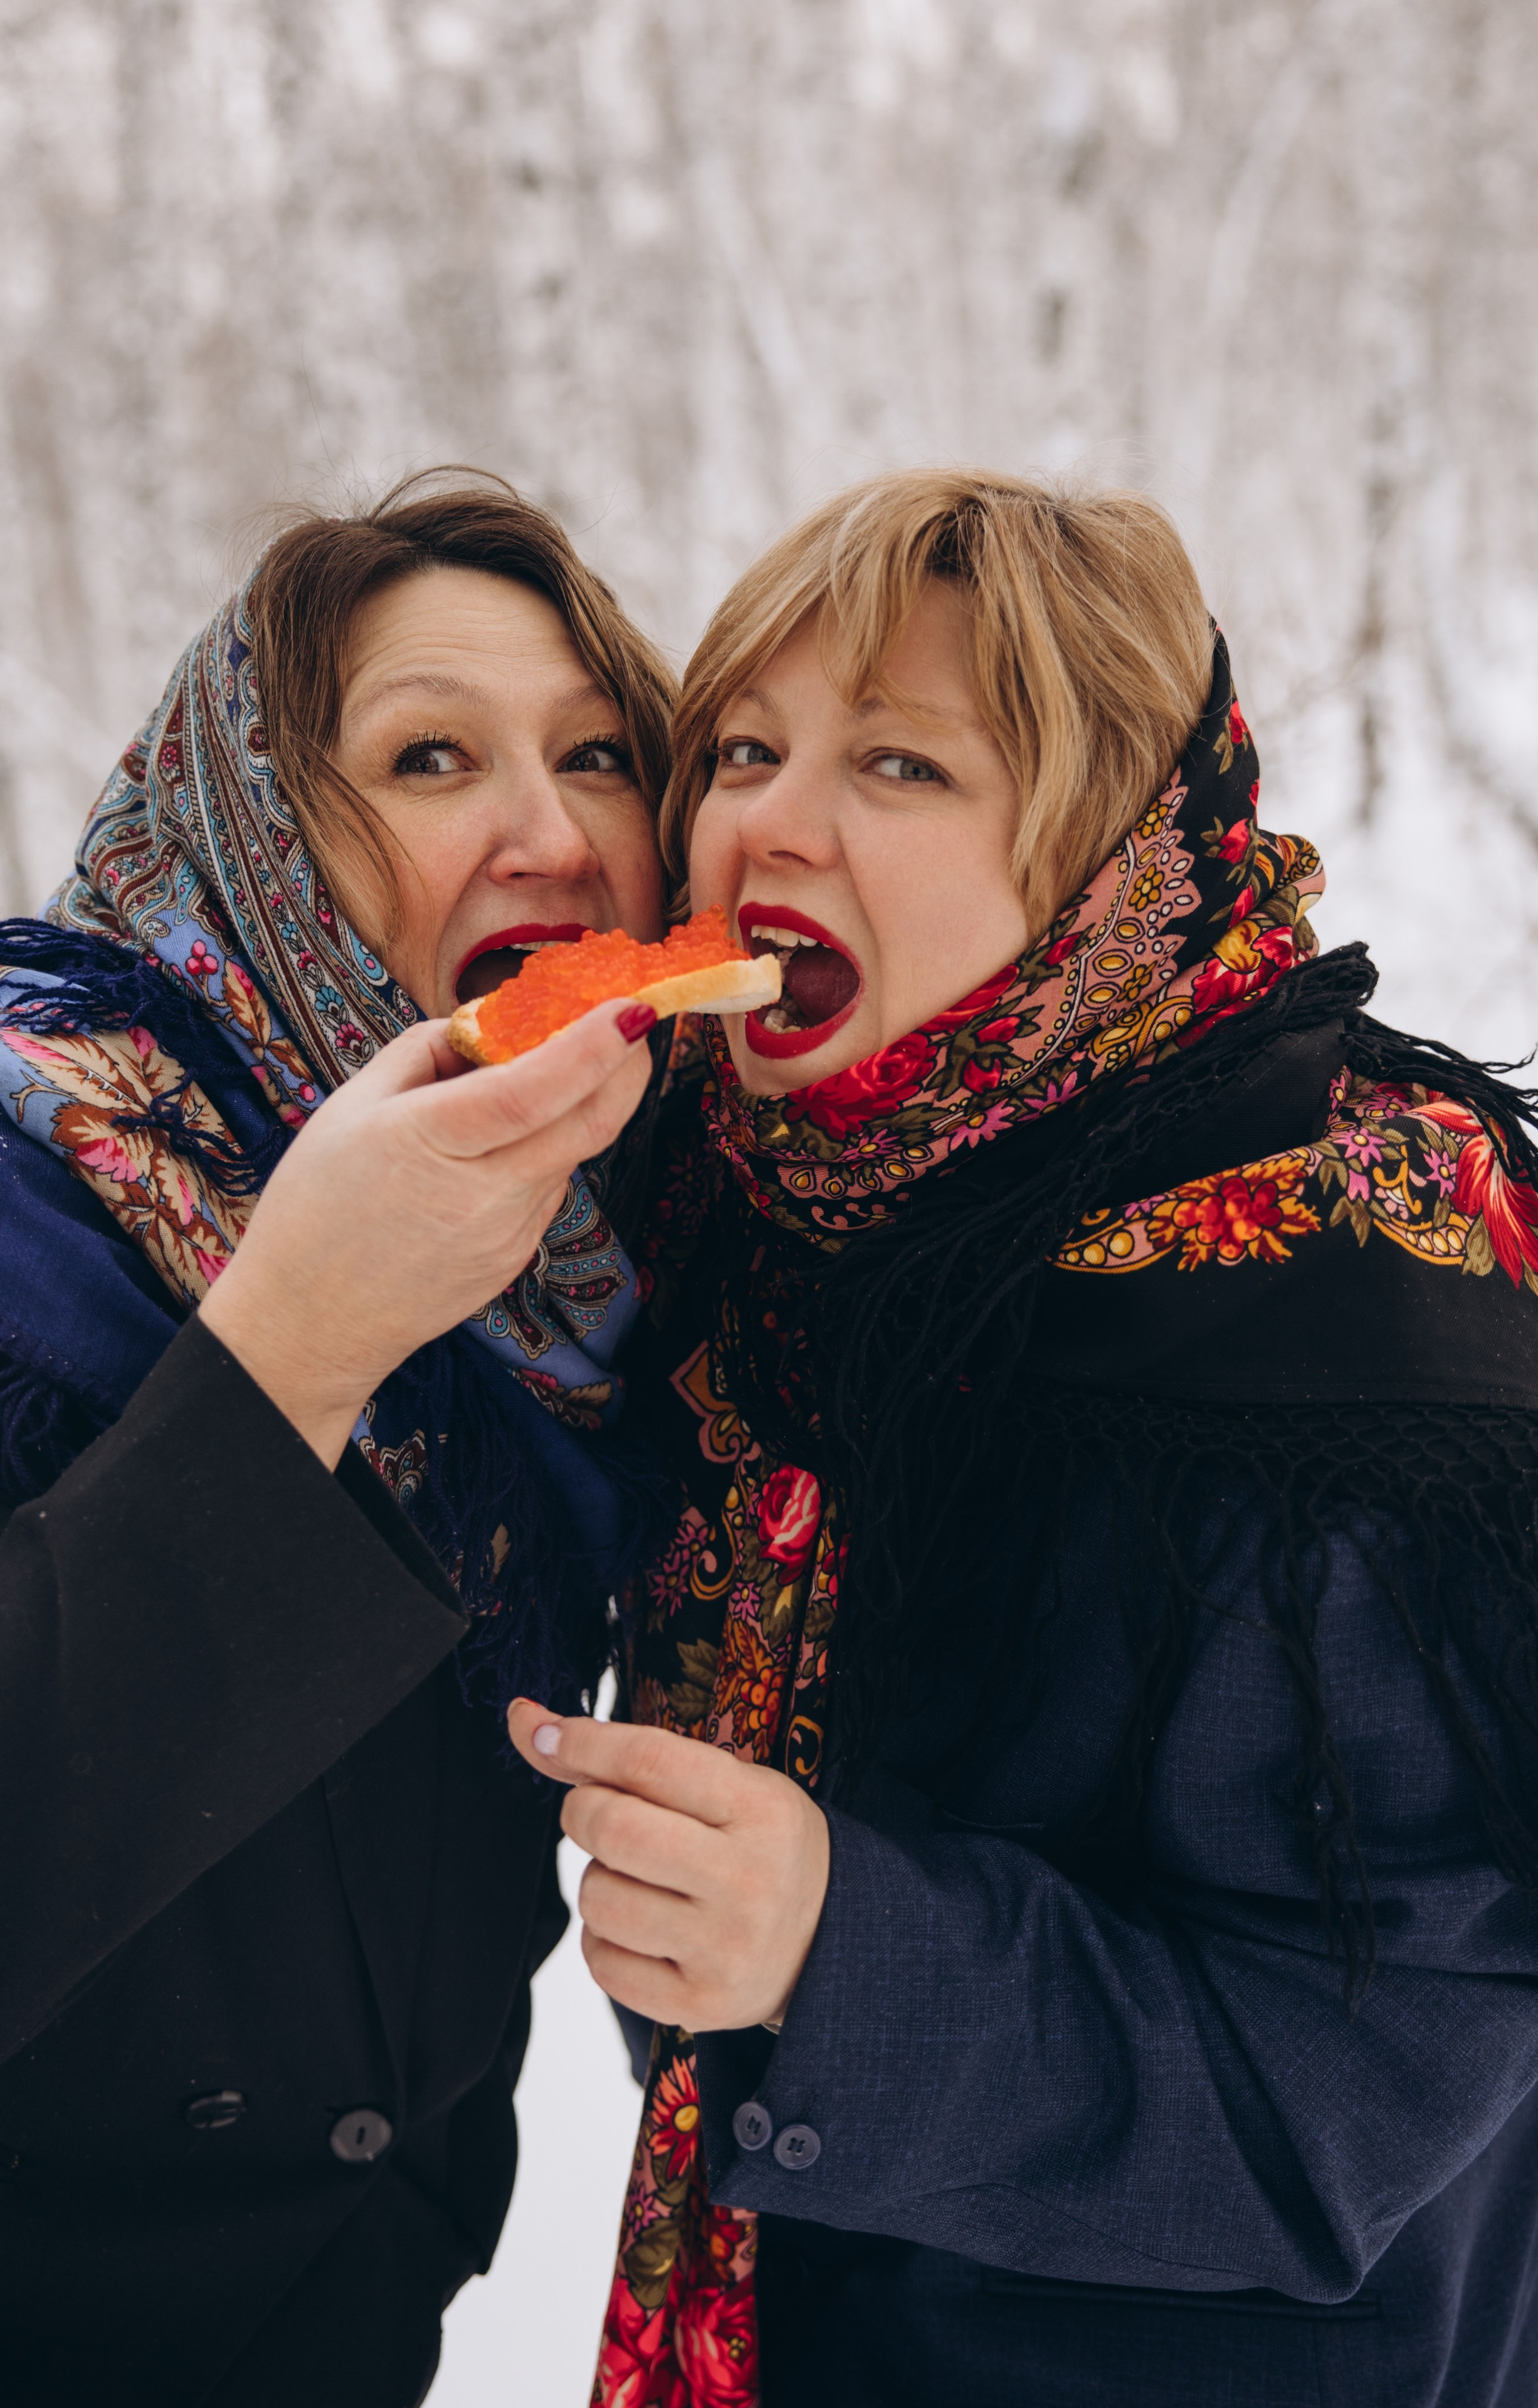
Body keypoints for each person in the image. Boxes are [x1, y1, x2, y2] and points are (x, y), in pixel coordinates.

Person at [510, 469, 1538, 2407]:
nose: (768, 817)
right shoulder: (754, 1203)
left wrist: (844, 1955)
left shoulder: (1353, 1319)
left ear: (1107, 848)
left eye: (903, 765)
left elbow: (1382, 2071)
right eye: (742, 746)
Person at [0, 475, 677, 2404]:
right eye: (429, 757)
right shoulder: (23, 1204)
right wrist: (291, 1346)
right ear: (249, 839)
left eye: (600, 755)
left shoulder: (589, 1300)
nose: (549, 838)